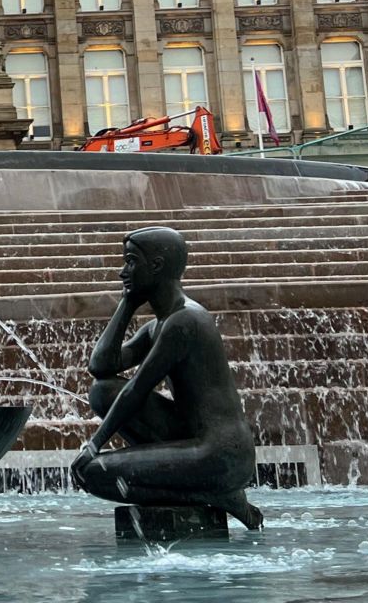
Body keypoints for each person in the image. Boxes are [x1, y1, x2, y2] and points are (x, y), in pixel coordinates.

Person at [70, 227, 264, 530]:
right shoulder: (158, 326)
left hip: (221, 454)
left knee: (94, 472)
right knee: (102, 392)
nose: (123, 272)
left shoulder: (186, 321)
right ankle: (210, 492)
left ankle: (218, 492)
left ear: (156, 267)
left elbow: (137, 389)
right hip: (190, 438)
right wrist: (127, 304)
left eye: (131, 262)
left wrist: (94, 445)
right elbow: (101, 366)